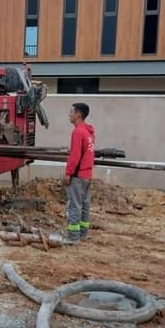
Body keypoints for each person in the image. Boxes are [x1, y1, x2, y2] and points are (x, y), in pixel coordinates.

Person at [63, 102, 95, 244]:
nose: (69, 114)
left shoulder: (78, 132)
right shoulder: (89, 132)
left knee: (74, 205)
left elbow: (75, 156)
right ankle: (82, 234)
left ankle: (73, 237)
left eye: (71, 112)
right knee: (84, 205)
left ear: (78, 115)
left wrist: (68, 173)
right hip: (87, 175)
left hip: (78, 175)